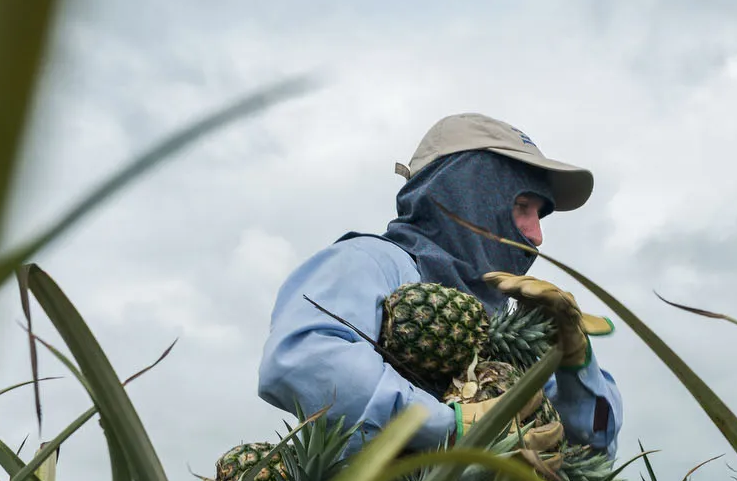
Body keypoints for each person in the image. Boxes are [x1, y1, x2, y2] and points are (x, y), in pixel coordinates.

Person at [259, 113, 623, 460]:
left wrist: (575, 361)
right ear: (466, 193)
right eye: (523, 206)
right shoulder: (371, 262)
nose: (536, 236)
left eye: (540, 215)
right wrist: (448, 427)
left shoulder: (506, 329)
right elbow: (303, 360)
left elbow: (591, 448)